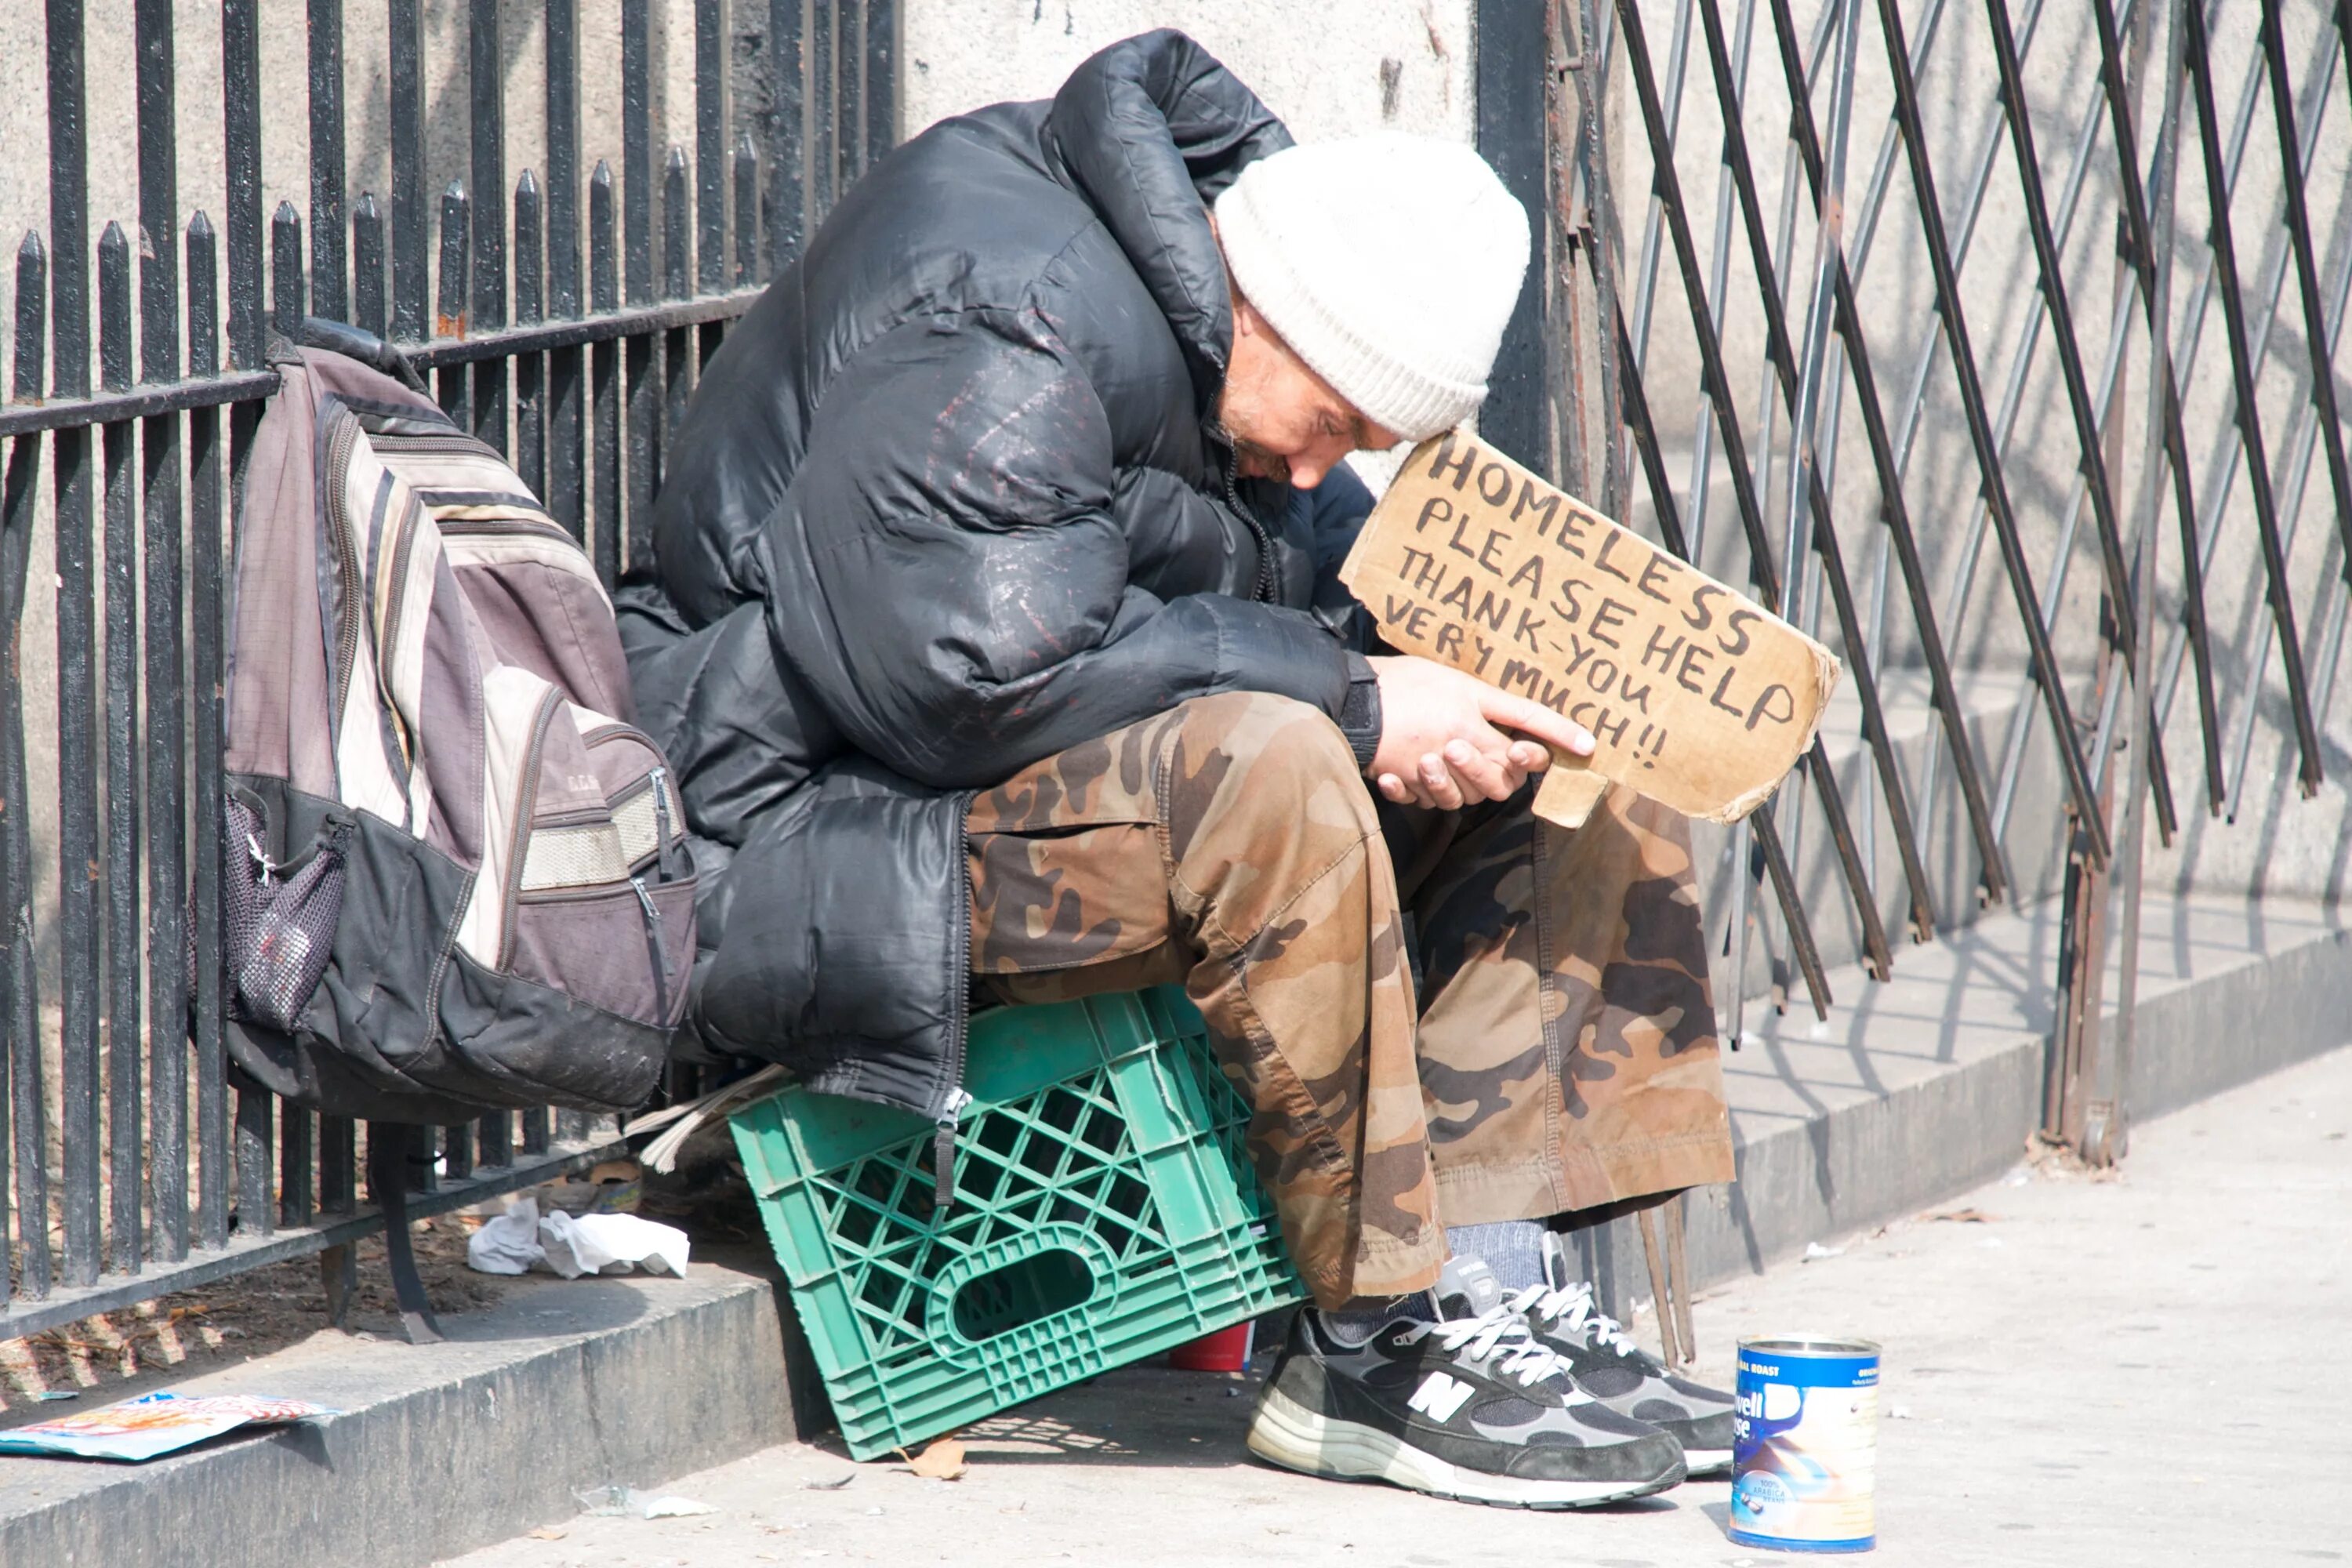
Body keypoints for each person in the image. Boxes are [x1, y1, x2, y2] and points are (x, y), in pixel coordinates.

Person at [622, 28, 1737, 1510]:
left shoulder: (1215, 316)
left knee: (1564, 729)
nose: (1309, 468)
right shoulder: (1011, 317)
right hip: (796, 837)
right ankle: (1370, 1344)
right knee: (1278, 763)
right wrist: (1354, 697)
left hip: (958, 790)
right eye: (1334, 426)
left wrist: (1444, 674)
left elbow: (1235, 578)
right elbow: (967, 686)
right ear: (1272, 317)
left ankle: (1491, 1278)